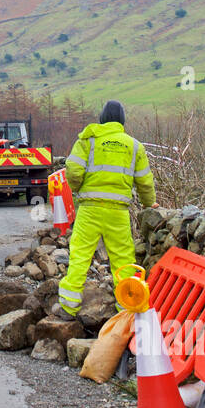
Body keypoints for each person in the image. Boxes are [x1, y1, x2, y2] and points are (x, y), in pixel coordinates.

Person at [55, 100, 157, 319]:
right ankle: (126, 306)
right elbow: (145, 182)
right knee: (123, 258)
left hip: (90, 209)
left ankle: (69, 305)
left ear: (101, 118)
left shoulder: (88, 140)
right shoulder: (134, 146)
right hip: (118, 213)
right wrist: (150, 203)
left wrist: (78, 187)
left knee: (80, 254)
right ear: (122, 120)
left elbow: (72, 170)